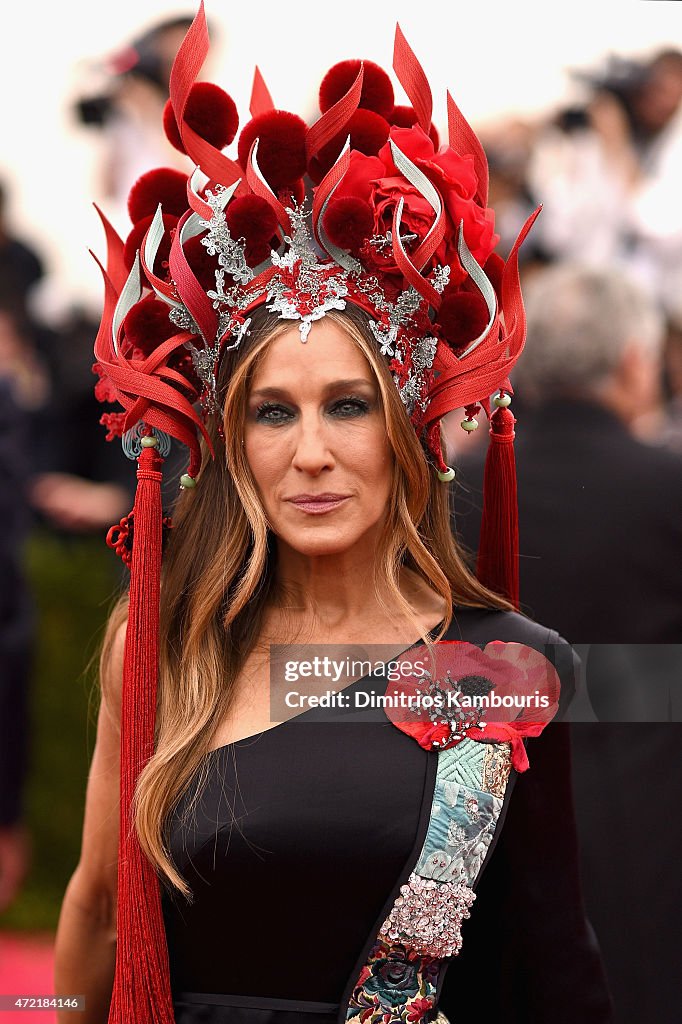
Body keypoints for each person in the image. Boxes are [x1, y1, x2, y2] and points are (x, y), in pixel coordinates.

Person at [54, 8, 613, 1023]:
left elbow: (549, 952)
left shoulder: (507, 666)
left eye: (346, 406)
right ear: (230, 442)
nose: (309, 451)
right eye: (273, 412)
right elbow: (96, 912)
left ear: (407, 432)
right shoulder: (161, 641)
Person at [454, 263, 682, 1024]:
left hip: (477, 837)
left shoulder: (453, 489)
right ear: (632, 363)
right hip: (649, 840)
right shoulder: (667, 486)